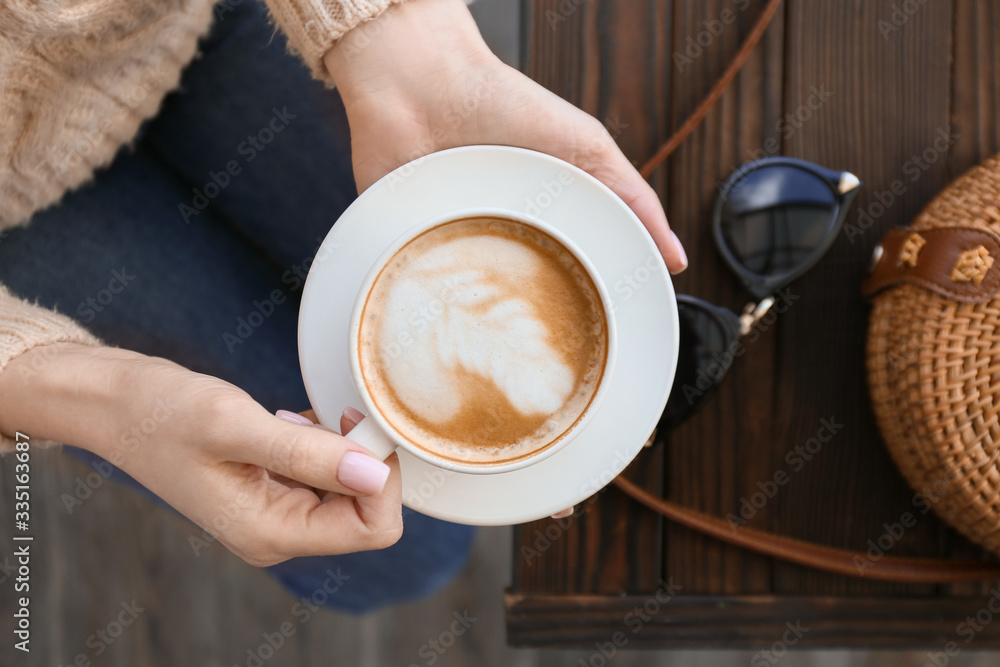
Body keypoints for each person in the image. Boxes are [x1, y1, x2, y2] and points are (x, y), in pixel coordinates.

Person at [0, 0, 687, 612]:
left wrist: (403, 33)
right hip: (16, 228)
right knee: (404, 552)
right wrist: (81, 396)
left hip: (187, 17)